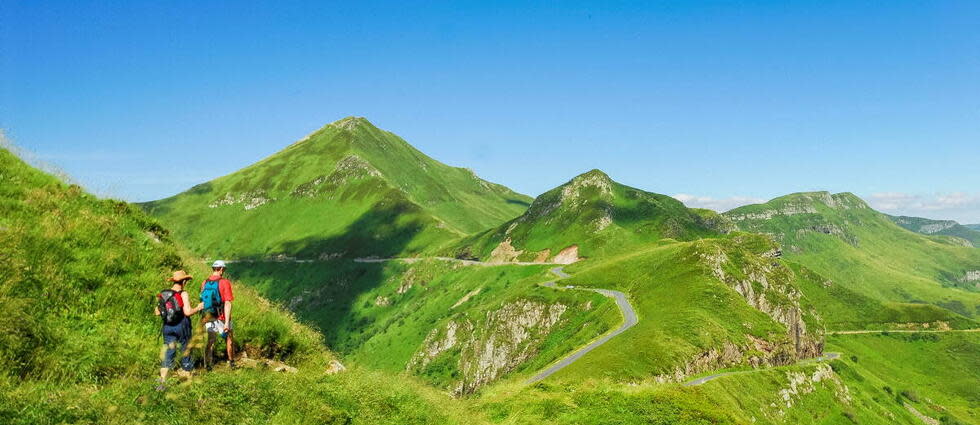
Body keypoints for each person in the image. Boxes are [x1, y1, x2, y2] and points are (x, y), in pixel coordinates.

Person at [154, 270, 204, 391]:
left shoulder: (164, 294)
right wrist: (198, 307)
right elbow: (187, 312)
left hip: (167, 327)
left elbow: (157, 312)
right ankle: (187, 384)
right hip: (182, 326)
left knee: (169, 353)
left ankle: (162, 383)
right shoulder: (183, 293)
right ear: (184, 281)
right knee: (186, 350)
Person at [201, 260, 236, 370]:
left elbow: (202, 300)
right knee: (229, 338)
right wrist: (226, 323)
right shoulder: (224, 282)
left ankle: (207, 365)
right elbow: (227, 303)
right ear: (221, 269)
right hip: (221, 316)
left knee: (210, 340)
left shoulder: (204, 282)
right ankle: (231, 363)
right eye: (224, 269)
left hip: (209, 316)